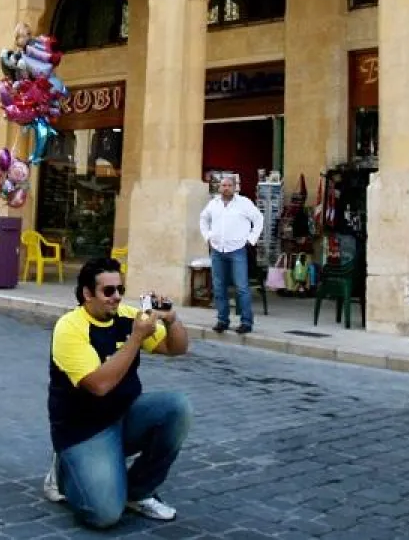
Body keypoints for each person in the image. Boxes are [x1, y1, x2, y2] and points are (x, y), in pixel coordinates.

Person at [43, 257, 192, 528]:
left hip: (124, 415)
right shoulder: (70, 327)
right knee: (104, 514)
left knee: (176, 407)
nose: (117, 297)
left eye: (120, 289)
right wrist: (136, 338)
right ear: (87, 294)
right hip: (84, 430)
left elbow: (176, 348)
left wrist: (172, 320)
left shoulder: (126, 316)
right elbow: (99, 386)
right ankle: (64, 468)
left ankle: (139, 491)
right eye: (108, 291)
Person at [198, 177, 263, 333]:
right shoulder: (213, 204)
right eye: (223, 185)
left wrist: (251, 239)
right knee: (219, 287)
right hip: (217, 250)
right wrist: (207, 236)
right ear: (219, 187)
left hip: (237, 250)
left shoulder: (244, 203)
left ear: (235, 187)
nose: (226, 188)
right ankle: (222, 320)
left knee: (242, 287)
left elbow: (259, 219)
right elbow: (203, 219)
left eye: (229, 185)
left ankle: (246, 322)